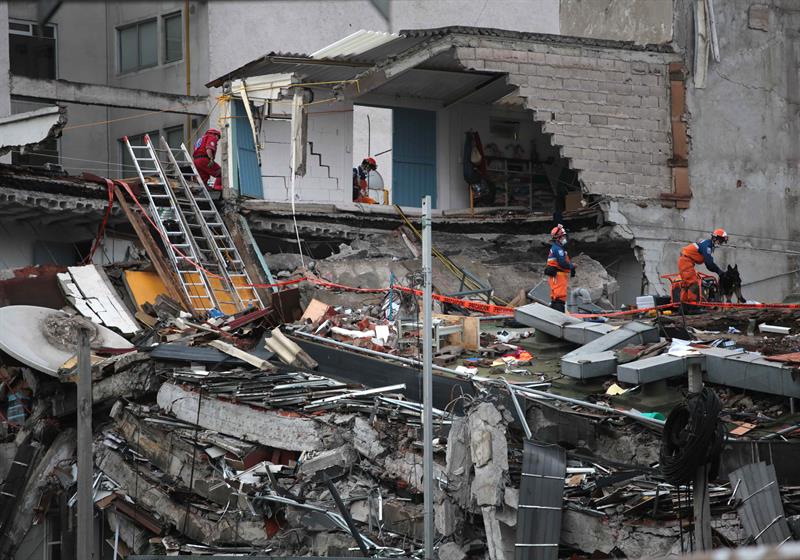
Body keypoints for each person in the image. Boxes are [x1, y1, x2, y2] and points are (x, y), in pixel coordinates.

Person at [678, 228, 728, 307]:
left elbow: (708, 263)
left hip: (685, 261)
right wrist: (719, 272)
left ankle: (684, 307)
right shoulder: (707, 246)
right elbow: (709, 263)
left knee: (687, 284)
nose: (721, 243)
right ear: (715, 238)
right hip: (686, 261)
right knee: (693, 284)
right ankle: (692, 307)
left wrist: (718, 271)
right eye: (721, 241)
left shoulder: (707, 244)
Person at [544, 224, 575, 313]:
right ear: (558, 238)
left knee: (557, 297)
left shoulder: (559, 248)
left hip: (558, 276)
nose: (565, 238)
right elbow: (563, 263)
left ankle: (555, 314)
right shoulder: (558, 249)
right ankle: (558, 316)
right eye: (563, 236)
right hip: (558, 275)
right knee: (559, 297)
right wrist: (572, 266)